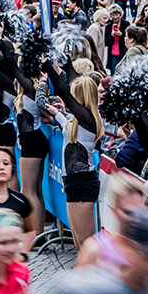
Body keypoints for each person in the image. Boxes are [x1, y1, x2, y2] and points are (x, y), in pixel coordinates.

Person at [43, 67, 101, 248]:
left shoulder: (89, 119)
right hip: (73, 182)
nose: (70, 100)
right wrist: (58, 113)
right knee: (79, 244)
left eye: (73, 96)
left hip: (83, 183)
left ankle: (90, 275)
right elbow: (67, 125)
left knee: (86, 246)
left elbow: (61, 89)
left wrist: (47, 64)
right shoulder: (78, 120)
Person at [104, 5, 126, 73]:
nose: (115, 17)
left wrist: (121, 35)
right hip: (113, 53)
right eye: (113, 15)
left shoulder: (125, 24)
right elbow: (106, 42)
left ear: (120, 14)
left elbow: (129, 38)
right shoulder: (108, 26)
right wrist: (112, 36)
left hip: (123, 52)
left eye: (117, 15)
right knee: (113, 72)